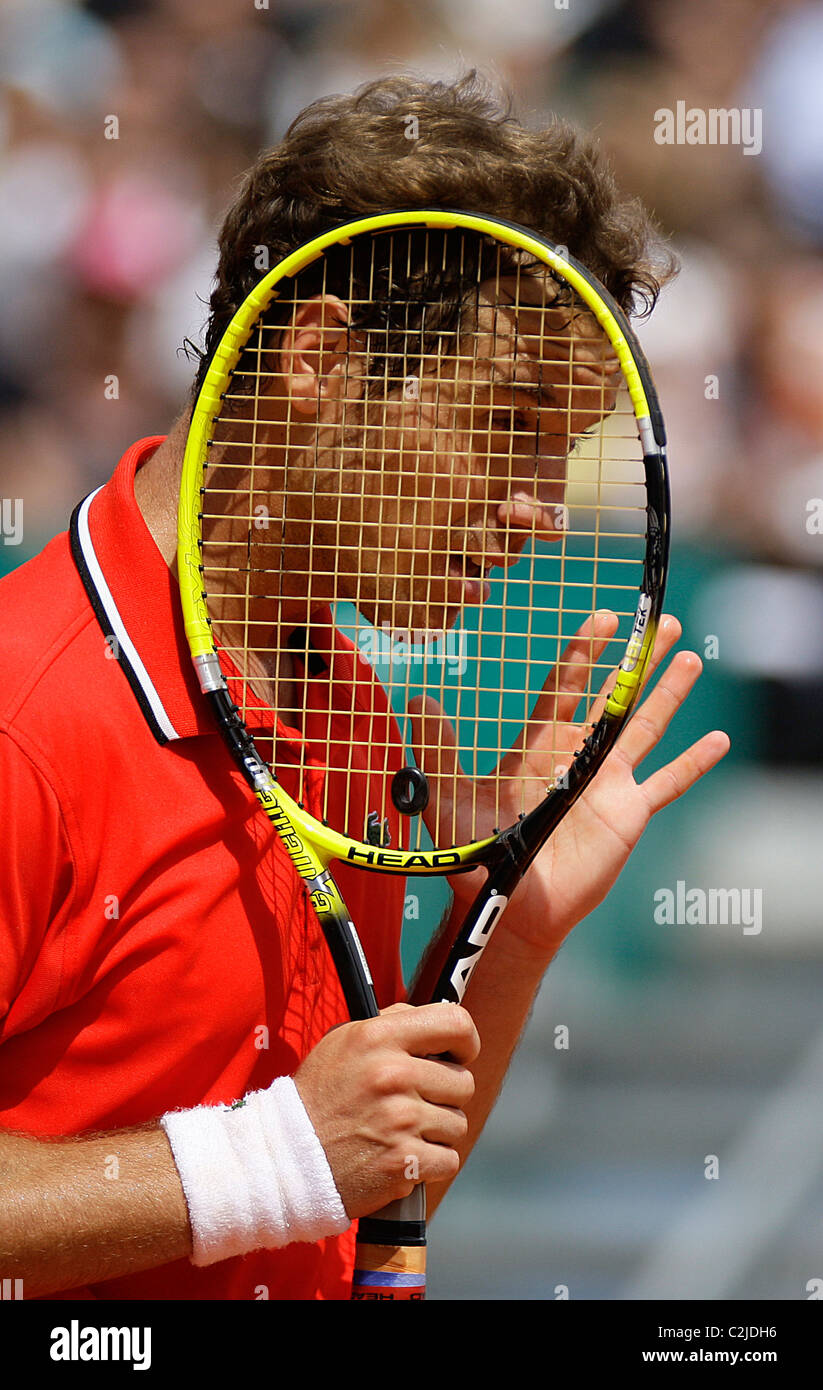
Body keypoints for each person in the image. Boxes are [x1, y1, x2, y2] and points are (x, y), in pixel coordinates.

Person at [0, 72, 729, 1300]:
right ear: (323, 360)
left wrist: (517, 922)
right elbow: (292, 1165)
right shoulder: (26, 710)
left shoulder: (357, 718)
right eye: (507, 426)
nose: (536, 516)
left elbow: (375, 1187)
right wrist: (273, 1156)